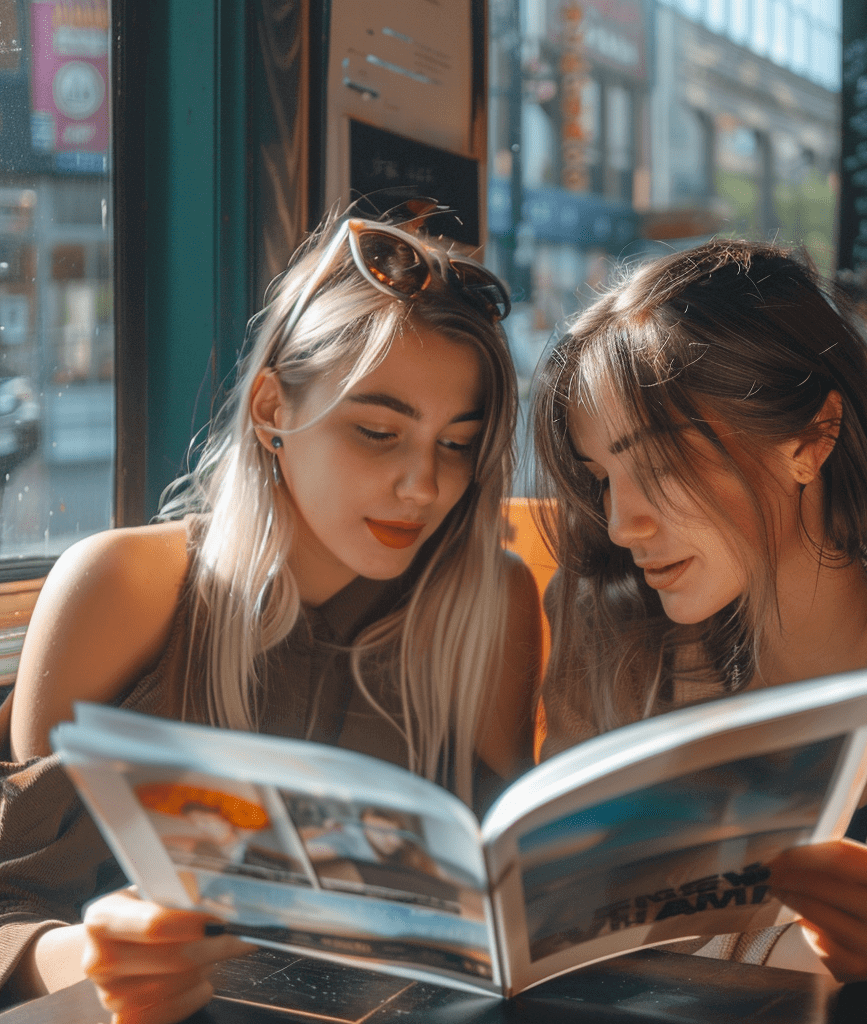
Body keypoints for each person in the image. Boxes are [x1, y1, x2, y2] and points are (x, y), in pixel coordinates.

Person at [0, 211, 541, 1023]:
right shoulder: (125, 587)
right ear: (269, 410)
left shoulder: (488, 603)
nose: (423, 487)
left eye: (457, 445)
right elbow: (14, 895)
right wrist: (82, 956)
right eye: (378, 432)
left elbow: (499, 897)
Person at [531, 239, 867, 1002]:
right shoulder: (612, 627)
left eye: (657, 465)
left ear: (811, 437)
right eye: (601, 478)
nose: (621, 523)